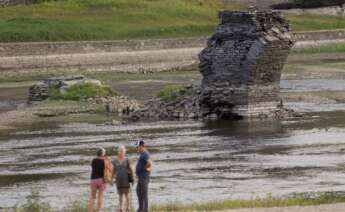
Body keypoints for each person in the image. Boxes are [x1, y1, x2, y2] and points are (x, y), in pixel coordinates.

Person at [112, 145, 134, 212]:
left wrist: (132, 179)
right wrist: (111, 178)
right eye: (120, 151)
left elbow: (131, 169)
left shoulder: (127, 160)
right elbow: (113, 170)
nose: (121, 152)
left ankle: (128, 208)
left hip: (126, 180)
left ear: (125, 152)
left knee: (127, 194)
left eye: (122, 151)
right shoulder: (115, 161)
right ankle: (121, 208)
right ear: (118, 152)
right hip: (118, 181)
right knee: (120, 195)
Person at [135, 140, 152, 212]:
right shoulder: (142, 154)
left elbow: (150, 163)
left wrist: (145, 168)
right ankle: (140, 208)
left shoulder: (145, 154)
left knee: (144, 193)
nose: (137, 148)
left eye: (138, 147)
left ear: (141, 146)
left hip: (144, 177)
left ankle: (145, 209)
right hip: (140, 177)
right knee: (138, 191)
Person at [88, 148, 107, 212]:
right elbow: (107, 170)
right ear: (103, 154)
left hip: (93, 180)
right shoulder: (104, 161)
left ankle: (90, 210)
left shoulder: (93, 160)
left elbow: (92, 167)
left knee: (92, 197)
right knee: (100, 197)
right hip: (101, 180)